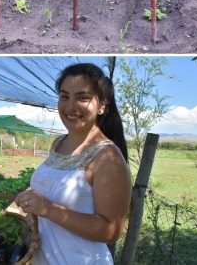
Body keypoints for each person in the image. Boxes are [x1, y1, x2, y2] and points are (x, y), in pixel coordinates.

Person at [15, 63, 131, 265]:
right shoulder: (59, 143)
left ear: (102, 105)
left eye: (82, 97)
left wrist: (49, 209)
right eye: (64, 96)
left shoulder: (108, 158)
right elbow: (48, 193)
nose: (70, 106)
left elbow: (111, 230)